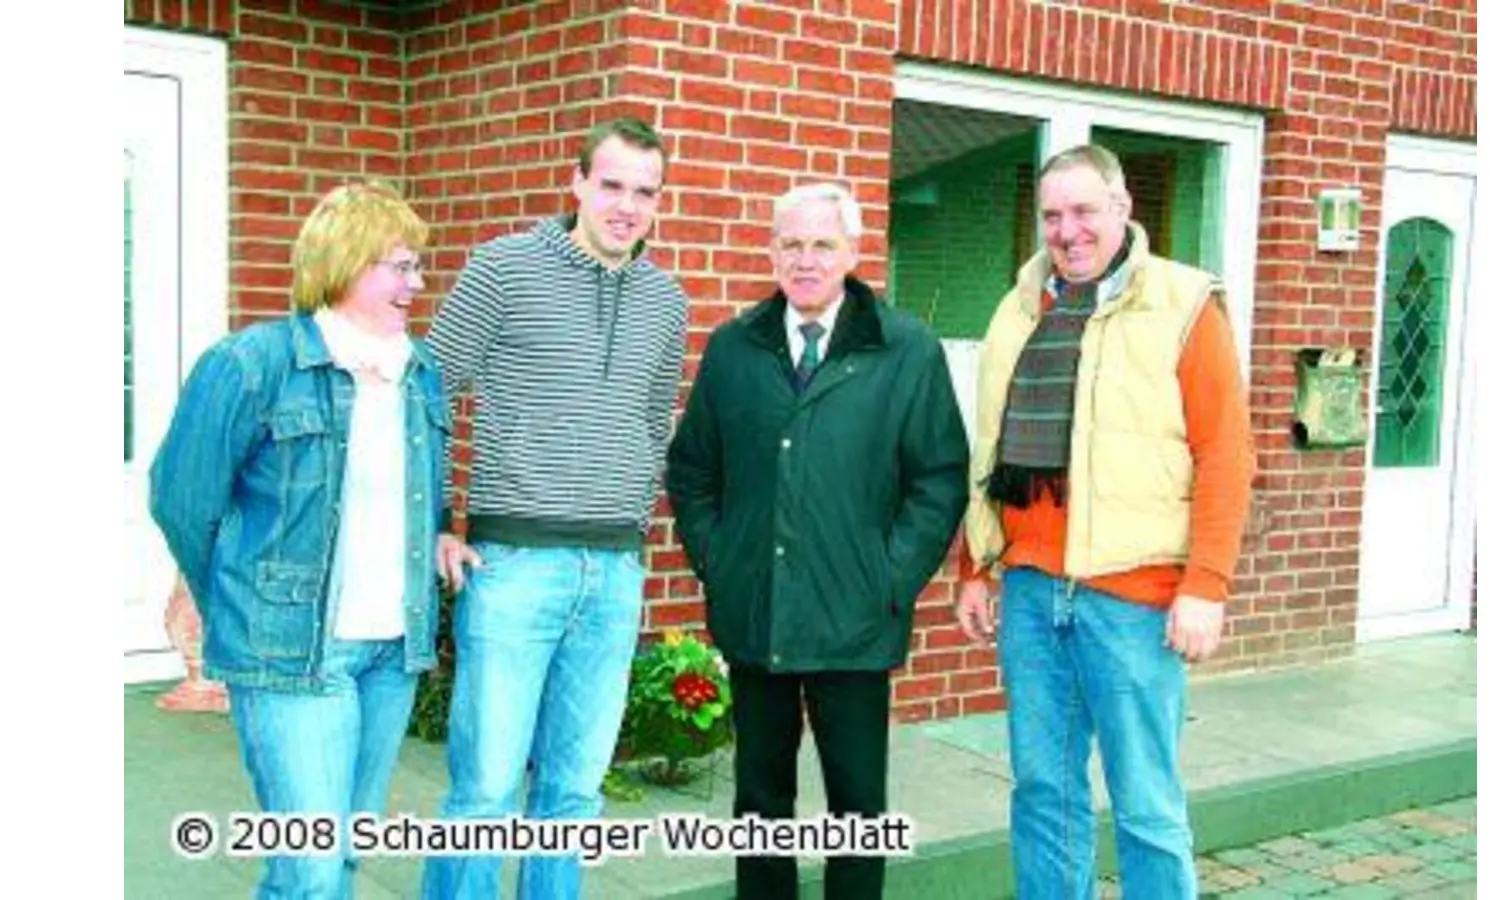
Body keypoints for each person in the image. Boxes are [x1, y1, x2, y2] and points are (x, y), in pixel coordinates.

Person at [953, 144, 1257, 899]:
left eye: (1085, 210)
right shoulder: (1018, 308)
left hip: (1134, 599)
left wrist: (1206, 584)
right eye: (1052, 215)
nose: (1068, 231)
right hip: (1029, 591)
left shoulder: (1186, 304)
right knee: (1042, 793)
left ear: (1123, 209)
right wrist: (976, 565)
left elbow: (1225, 453)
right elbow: (989, 446)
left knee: (1146, 802)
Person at [666, 182, 969, 900]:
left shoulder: (906, 350)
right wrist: (720, 562)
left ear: (853, 253)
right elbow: (692, 469)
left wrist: (886, 580)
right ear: (771, 251)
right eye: (791, 244)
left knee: (857, 810)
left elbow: (939, 482)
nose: (805, 260)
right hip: (756, 613)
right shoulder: (735, 348)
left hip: (856, 620)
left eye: (822, 244)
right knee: (760, 805)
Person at [148, 181, 451, 898]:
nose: (417, 283)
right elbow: (182, 498)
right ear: (344, 263)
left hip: (391, 652)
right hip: (290, 653)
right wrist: (227, 598)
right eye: (400, 266)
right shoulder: (251, 364)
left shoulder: (419, 374)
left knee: (343, 852)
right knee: (310, 868)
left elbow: (419, 500)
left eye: (417, 267)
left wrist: (440, 540)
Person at [420, 116, 688, 900]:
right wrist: (438, 518)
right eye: (611, 185)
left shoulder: (665, 300)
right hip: (514, 566)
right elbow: (429, 393)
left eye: (645, 192)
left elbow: (651, 418)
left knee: (573, 796)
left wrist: (632, 520)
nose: (627, 206)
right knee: (486, 793)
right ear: (577, 182)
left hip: (611, 573)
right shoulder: (503, 269)